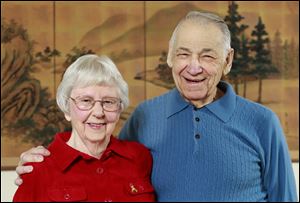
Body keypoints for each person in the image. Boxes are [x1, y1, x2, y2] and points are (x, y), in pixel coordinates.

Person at [15, 11, 297, 202]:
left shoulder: (262, 122)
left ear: (228, 60)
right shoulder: (145, 116)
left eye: (207, 55)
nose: (193, 67)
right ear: (170, 58)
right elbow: (99, 160)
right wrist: (37, 164)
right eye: (183, 54)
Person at [13, 55, 156, 202]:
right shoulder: (38, 169)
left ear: (119, 109)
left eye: (108, 102)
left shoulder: (140, 158)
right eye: (86, 101)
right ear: (67, 109)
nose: (99, 113)